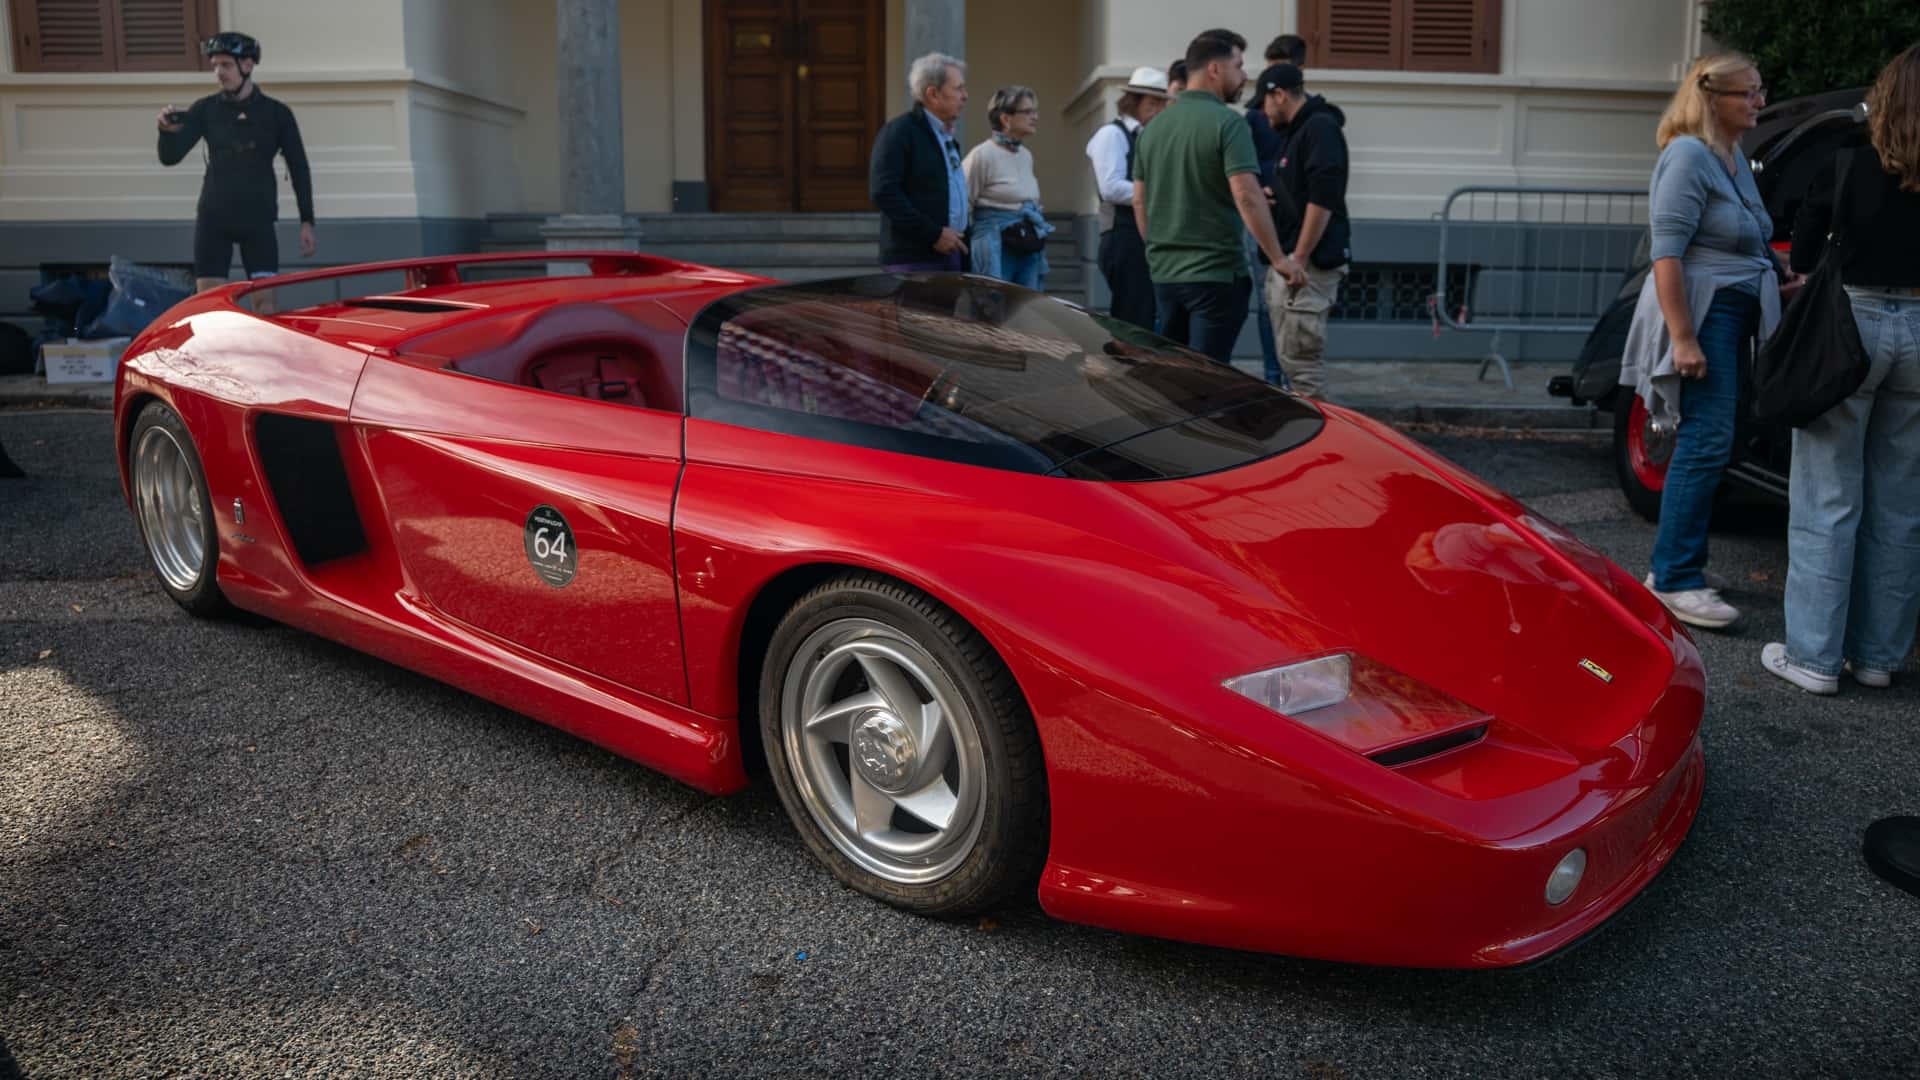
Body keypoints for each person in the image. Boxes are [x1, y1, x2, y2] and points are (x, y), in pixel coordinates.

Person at [1619, 52, 1800, 630]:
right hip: (1705, 313)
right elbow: (1667, 252)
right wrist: (1683, 339)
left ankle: (1679, 563)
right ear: (1712, 98)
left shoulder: (1730, 158)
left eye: (1759, 90)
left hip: (1729, 309)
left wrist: (1779, 278)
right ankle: (1673, 577)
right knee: (1706, 438)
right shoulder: (1689, 155)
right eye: (1748, 93)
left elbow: (1742, 241)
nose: (1759, 102)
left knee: (1713, 437)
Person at [1761, 43, 1920, 694]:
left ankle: (1815, 659)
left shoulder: (1848, 162)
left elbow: (1801, 246)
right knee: (1900, 506)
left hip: (1851, 328)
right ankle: (1880, 658)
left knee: (1829, 498)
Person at [1133, 29, 1304, 365]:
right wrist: (1279, 258)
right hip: (1215, 275)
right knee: (1208, 381)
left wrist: (1156, 251)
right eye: (1238, 66)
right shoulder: (1229, 123)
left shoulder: (1152, 128)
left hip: (1165, 275)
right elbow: (1247, 195)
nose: (1244, 76)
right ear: (1215, 69)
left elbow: (1140, 200)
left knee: (1172, 376)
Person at [157, 32, 315, 294]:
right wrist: (165, 132)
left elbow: (299, 167)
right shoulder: (205, 109)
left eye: (227, 65)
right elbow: (170, 158)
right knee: (209, 306)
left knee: (264, 306)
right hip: (214, 218)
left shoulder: (276, 113)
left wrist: (307, 222)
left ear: (248, 65)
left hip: (258, 219)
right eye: (215, 65)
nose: (219, 72)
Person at [1256, 62, 1351, 399]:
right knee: (1294, 365)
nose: (1263, 113)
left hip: (1307, 268)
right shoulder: (1297, 132)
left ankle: (1324, 447)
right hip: (1297, 265)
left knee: (1303, 370)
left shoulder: (1319, 127)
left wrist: (1298, 257)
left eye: (1264, 103)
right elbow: (1303, 192)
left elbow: (1322, 199)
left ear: (1279, 95)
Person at [1086, 67, 1172, 329]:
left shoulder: (1146, 135)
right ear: (1134, 102)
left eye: (1161, 102)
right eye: (1151, 102)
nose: (1157, 109)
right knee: (1131, 316)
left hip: (1140, 237)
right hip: (1121, 237)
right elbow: (1110, 187)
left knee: (1143, 314)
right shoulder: (1111, 134)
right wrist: (1156, 193)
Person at [871, 53, 971, 273]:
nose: (965, 96)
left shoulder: (947, 137)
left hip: (950, 255)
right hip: (914, 259)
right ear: (933, 94)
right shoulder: (899, 132)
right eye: (958, 88)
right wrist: (933, 234)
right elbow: (884, 192)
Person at [1245, 33, 1308, 384]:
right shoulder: (1255, 115)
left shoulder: (1313, 116)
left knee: (1300, 305)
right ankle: (1273, 376)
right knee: (1266, 301)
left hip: (1299, 222)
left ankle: (1294, 376)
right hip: (1265, 217)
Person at [963, 86, 1052, 289]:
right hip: (996, 246)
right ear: (1005, 118)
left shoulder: (1025, 155)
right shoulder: (982, 155)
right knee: (994, 308)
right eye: (1028, 111)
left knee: (1027, 309)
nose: (1035, 117)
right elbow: (962, 203)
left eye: (1034, 111)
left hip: (1026, 243)